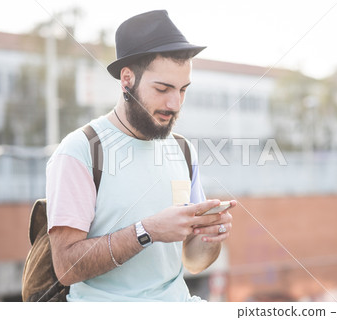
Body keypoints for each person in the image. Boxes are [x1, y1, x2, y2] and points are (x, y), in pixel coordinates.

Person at [46, 10, 235, 302]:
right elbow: (66, 268)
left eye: (183, 90)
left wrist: (211, 234)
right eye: (163, 89)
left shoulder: (183, 150)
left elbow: (193, 262)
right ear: (127, 80)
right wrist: (147, 231)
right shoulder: (80, 150)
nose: (174, 103)